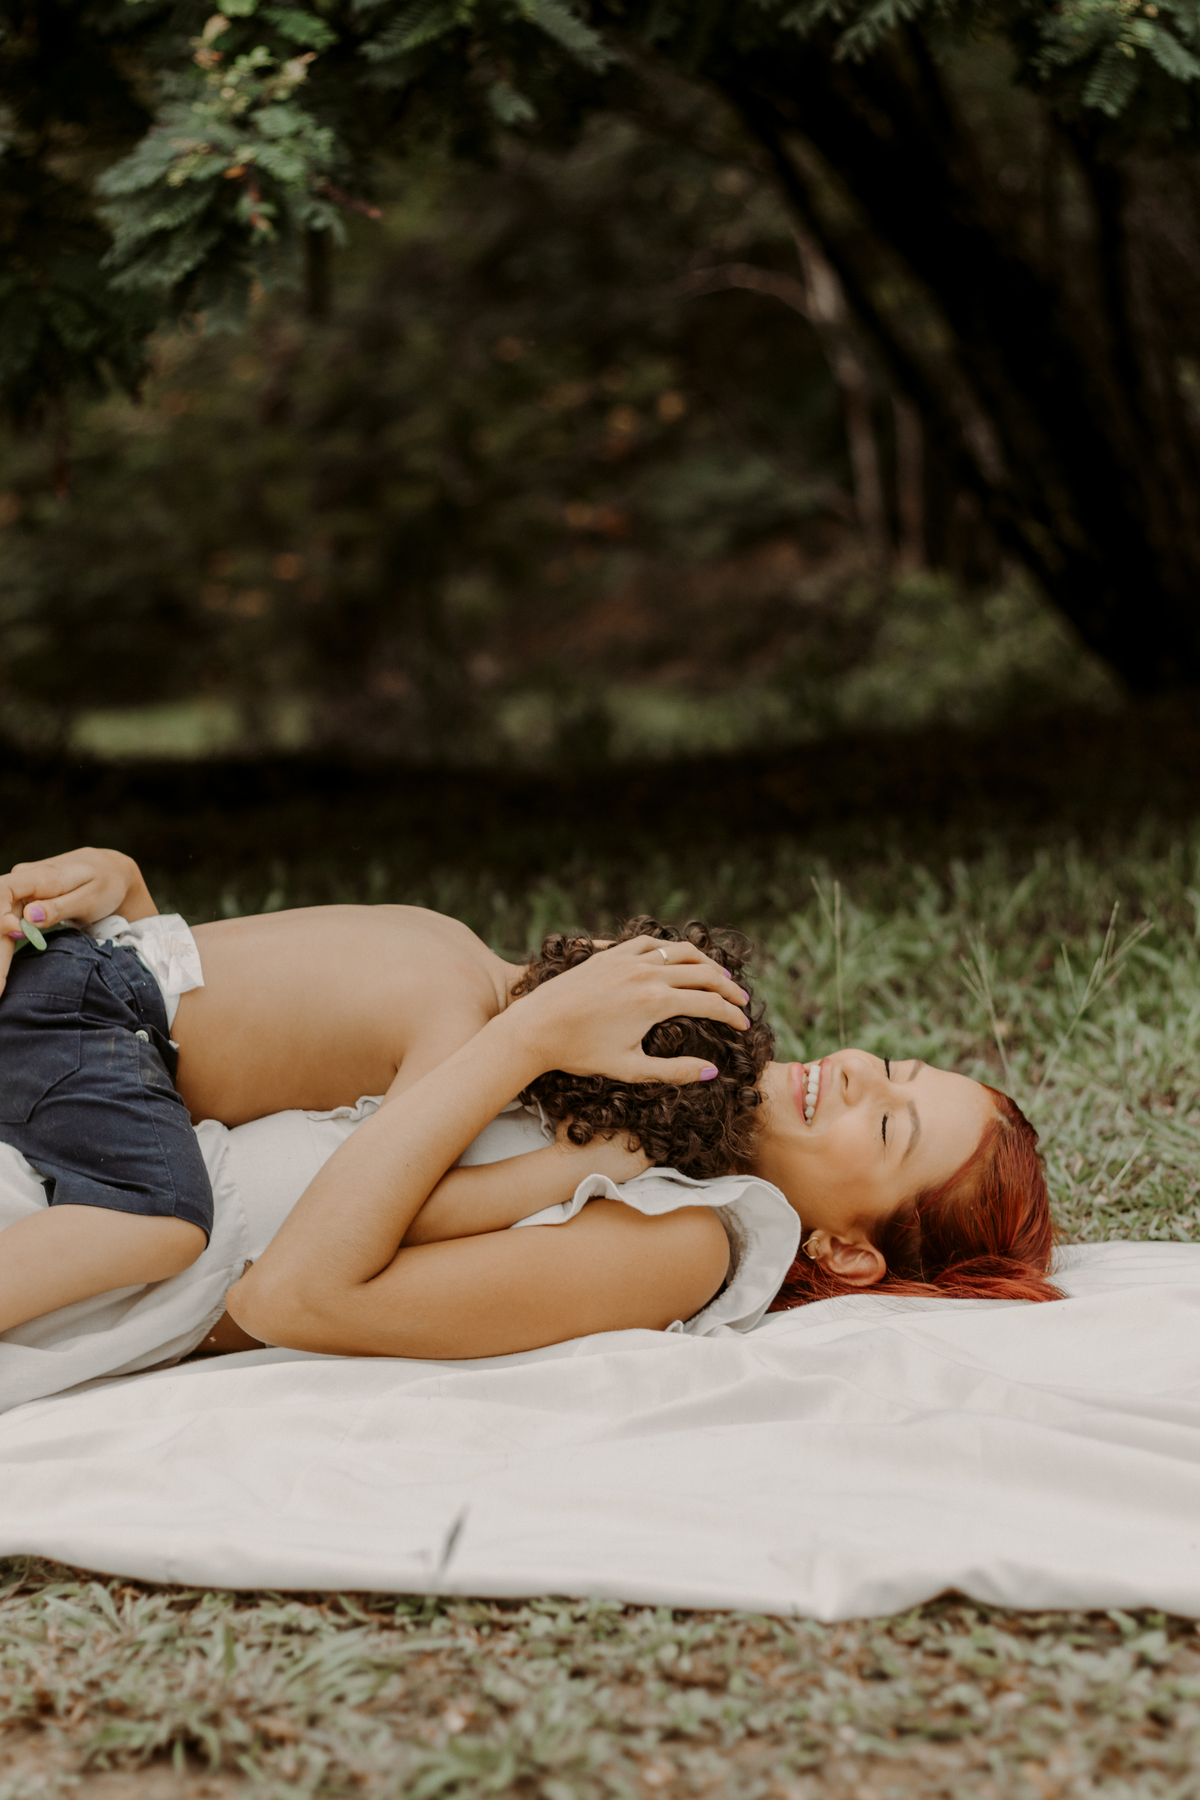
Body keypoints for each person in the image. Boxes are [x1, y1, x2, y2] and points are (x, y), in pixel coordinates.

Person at [0, 846, 1057, 1368]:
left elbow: (292, 1296)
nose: (862, 1070)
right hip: (70, 1119)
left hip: (74, 1224)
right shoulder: (617, 1093)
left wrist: (521, 1040)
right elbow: (224, 1035)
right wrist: (129, 903)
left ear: (849, 1253)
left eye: (890, 1125)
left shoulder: (687, 1236)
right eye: (898, 1064)